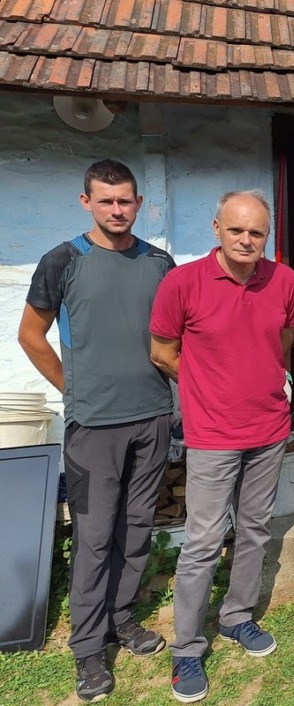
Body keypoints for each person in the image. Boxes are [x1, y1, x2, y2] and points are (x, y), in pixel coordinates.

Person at [18, 160, 175, 703]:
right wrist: (72, 388)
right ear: (86, 201)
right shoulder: (63, 261)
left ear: (138, 203)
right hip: (93, 427)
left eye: (125, 200)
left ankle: (122, 618)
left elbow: (174, 337)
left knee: (135, 529)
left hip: (152, 416)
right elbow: (31, 335)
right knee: (93, 537)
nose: (116, 210)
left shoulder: (159, 262)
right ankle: (88, 649)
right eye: (106, 200)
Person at [150, 191, 294, 703]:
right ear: (217, 228)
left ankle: (237, 617)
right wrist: (206, 386)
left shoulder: (282, 279)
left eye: (256, 233)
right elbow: (162, 352)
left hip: (268, 429)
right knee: (202, 542)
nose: (246, 240)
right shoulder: (182, 283)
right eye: (236, 230)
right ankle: (187, 649)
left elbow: (282, 340)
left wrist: (266, 380)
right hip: (212, 434)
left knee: (256, 530)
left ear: (267, 237)